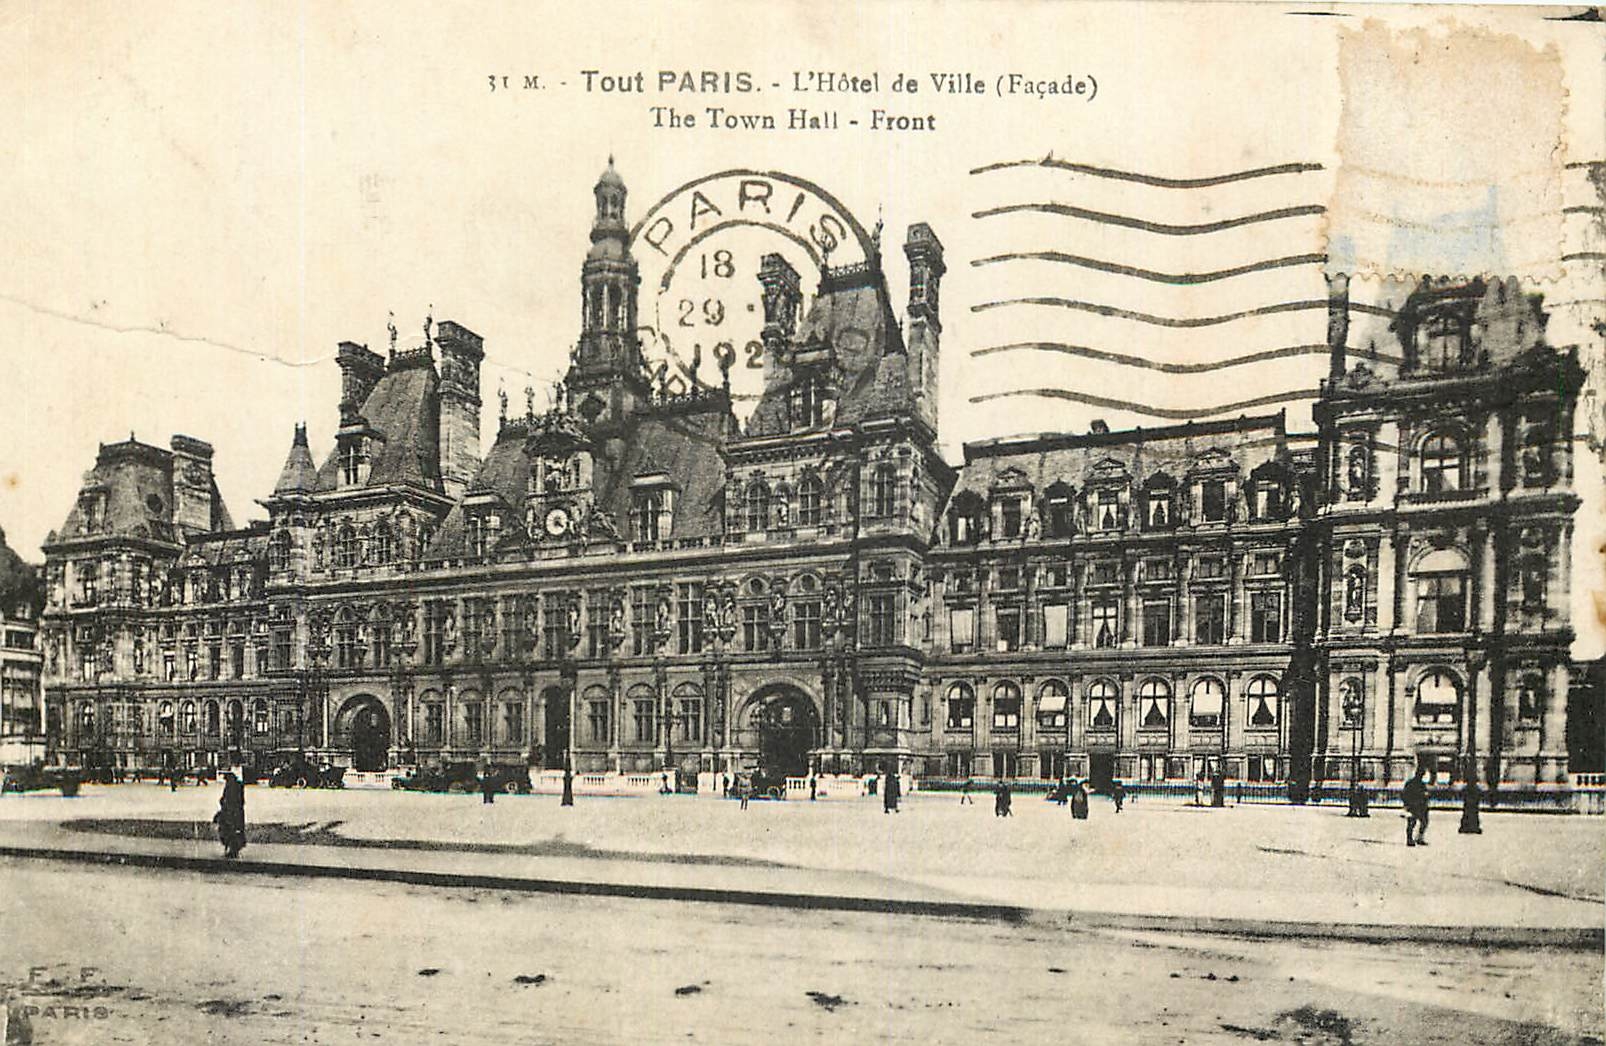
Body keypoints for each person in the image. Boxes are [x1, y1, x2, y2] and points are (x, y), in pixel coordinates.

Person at [213, 772, 246, 859]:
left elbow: (227, 800)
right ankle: (233, 849)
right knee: (234, 831)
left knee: (229, 831)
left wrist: (223, 804)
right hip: (235, 813)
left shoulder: (231, 786)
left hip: (231, 813)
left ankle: (232, 850)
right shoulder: (238, 785)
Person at [1402, 766, 1429, 846]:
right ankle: (1411, 839)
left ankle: (1417, 838)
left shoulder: (1417, 783)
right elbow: (1405, 794)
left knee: (1422, 822)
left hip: (1419, 806)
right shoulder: (1413, 783)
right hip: (1414, 805)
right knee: (1413, 823)